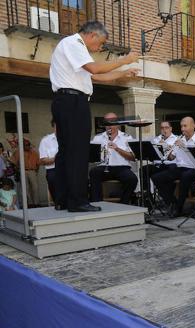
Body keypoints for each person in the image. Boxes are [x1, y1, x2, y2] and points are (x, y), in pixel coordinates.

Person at [50, 20, 139, 212]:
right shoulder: (74, 43)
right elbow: (95, 69)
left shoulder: (74, 50)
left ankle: (64, 199)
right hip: (73, 102)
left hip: (66, 101)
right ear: (92, 35)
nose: (100, 48)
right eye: (100, 43)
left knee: (66, 152)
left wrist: (123, 73)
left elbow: (97, 77)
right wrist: (125, 59)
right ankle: (78, 201)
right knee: (78, 152)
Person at [151, 116, 195, 217]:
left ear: (193, 126)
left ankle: (179, 208)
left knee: (185, 176)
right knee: (157, 177)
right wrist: (165, 149)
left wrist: (184, 147)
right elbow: (172, 158)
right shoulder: (180, 139)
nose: (182, 129)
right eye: (181, 126)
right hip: (181, 167)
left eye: (185, 126)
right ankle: (173, 203)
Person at [89, 113, 138, 204]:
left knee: (132, 179)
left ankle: (124, 203)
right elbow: (91, 157)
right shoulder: (98, 138)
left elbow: (133, 158)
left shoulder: (126, 137)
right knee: (93, 172)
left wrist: (117, 149)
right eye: (106, 123)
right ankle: (97, 203)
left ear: (117, 124)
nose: (108, 126)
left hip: (122, 168)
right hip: (104, 167)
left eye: (111, 123)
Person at [11, 138, 40, 207]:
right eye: (25, 145)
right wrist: (17, 168)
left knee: (35, 187)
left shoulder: (34, 153)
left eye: (28, 145)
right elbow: (13, 161)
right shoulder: (18, 152)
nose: (27, 146)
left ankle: (36, 203)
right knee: (25, 188)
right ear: (22, 146)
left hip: (32, 171)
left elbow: (38, 163)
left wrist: (35, 171)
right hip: (23, 171)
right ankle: (29, 204)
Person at [39, 120, 59, 203]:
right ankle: (58, 202)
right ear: (53, 127)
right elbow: (43, 160)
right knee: (52, 178)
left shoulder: (71, 138)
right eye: (57, 126)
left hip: (69, 168)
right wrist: (57, 158)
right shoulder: (46, 140)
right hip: (53, 169)